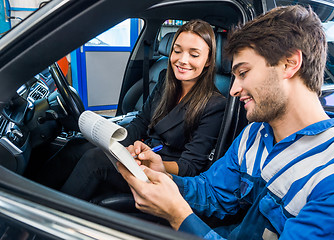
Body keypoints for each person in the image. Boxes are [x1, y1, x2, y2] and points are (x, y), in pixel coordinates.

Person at [117, 5, 334, 239]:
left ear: (289, 64)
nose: (233, 89)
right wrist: (167, 179)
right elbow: (213, 192)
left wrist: (178, 216)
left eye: (243, 73)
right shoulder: (254, 136)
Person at [35, 19, 226, 200]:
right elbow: (142, 121)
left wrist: (155, 163)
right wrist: (111, 141)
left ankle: (51, 216)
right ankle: (33, 194)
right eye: (177, 51)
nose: (183, 60)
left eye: (194, 55)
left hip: (161, 174)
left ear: (208, 61)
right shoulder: (165, 81)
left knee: (95, 159)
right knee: (76, 146)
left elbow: (190, 167)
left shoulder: (215, 105)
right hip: (140, 153)